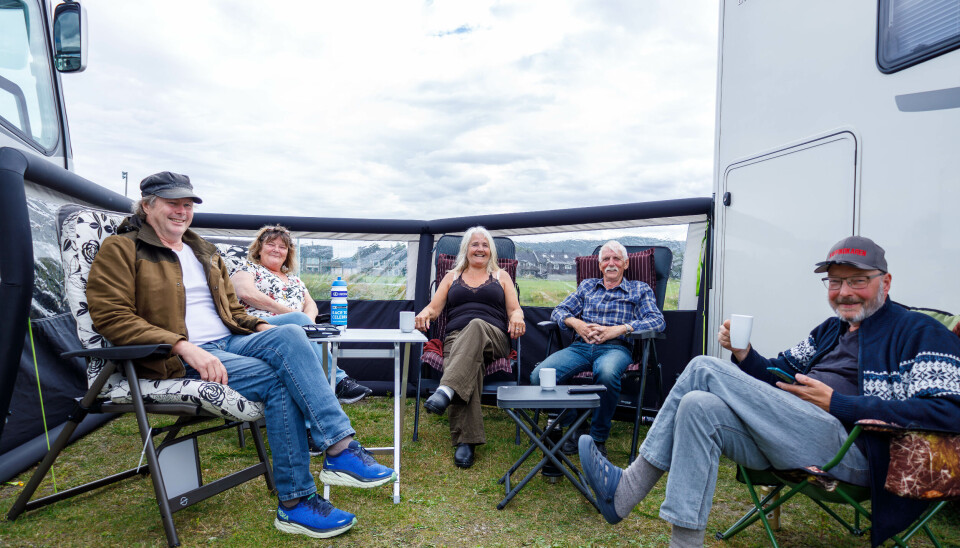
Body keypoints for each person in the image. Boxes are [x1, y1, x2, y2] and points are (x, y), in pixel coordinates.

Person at [578, 236, 960, 547]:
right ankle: (685, 544)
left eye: (857, 281)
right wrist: (744, 354)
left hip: (851, 451)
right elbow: (777, 373)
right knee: (697, 405)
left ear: (885, 282)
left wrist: (838, 403)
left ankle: (627, 489)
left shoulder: (919, 332)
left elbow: (948, 412)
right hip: (790, 435)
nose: (844, 292)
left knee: (702, 367)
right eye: (835, 282)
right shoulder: (831, 330)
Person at [86, 172, 396, 539]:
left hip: (230, 340)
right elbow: (111, 316)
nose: (182, 211)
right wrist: (183, 346)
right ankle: (297, 502)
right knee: (280, 383)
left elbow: (233, 311)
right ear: (147, 205)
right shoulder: (122, 249)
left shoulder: (203, 251)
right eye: (173, 203)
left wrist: (265, 329)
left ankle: (338, 450)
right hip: (176, 356)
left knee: (292, 333)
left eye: (187, 204)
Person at [530, 240, 665, 456]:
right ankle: (575, 425)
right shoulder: (587, 286)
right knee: (539, 376)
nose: (611, 263)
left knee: (607, 374)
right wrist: (577, 324)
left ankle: (597, 437)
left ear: (626, 264)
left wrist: (619, 329)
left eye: (616, 259)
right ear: (600, 265)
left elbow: (657, 321)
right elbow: (559, 310)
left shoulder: (639, 289)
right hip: (581, 347)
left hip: (615, 348)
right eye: (606, 259)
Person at [415, 226, 525, 468]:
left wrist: (518, 317)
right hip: (455, 340)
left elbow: (514, 309)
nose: (480, 249)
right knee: (469, 364)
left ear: (491, 250)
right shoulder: (451, 277)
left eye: (485, 245)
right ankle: (467, 442)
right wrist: (424, 313)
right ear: (466, 248)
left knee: (475, 325)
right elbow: (433, 309)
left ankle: (445, 390)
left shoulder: (501, 276)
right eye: (475, 244)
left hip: (494, 338)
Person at [231, 224, 372, 404]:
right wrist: (295, 316)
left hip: (296, 329)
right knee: (299, 319)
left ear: (288, 253)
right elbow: (246, 293)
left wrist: (308, 323)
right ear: (259, 248)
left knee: (305, 324)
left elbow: (311, 304)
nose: (276, 250)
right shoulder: (247, 268)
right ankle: (338, 382)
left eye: (282, 247)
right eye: (271, 244)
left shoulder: (294, 279)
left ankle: (316, 405)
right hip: (258, 327)